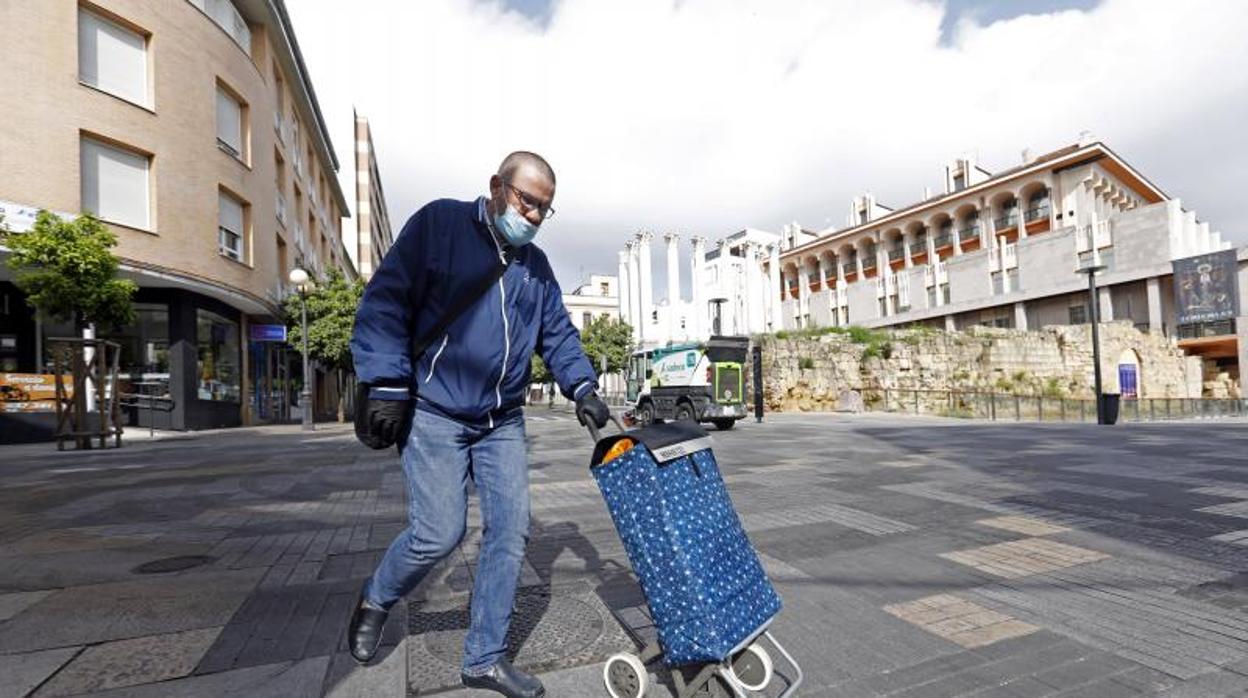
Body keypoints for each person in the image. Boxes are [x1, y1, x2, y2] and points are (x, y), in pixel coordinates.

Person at [347, 151, 610, 698]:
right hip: (435, 414)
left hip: (501, 422)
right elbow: (385, 302)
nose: (534, 216)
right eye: (527, 202)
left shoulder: (535, 269)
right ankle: (377, 596)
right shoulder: (439, 225)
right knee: (437, 534)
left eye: (545, 210)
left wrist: (583, 387)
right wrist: (389, 382)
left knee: (510, 533)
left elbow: (558, 333)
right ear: (497, 187)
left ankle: (483, 658)